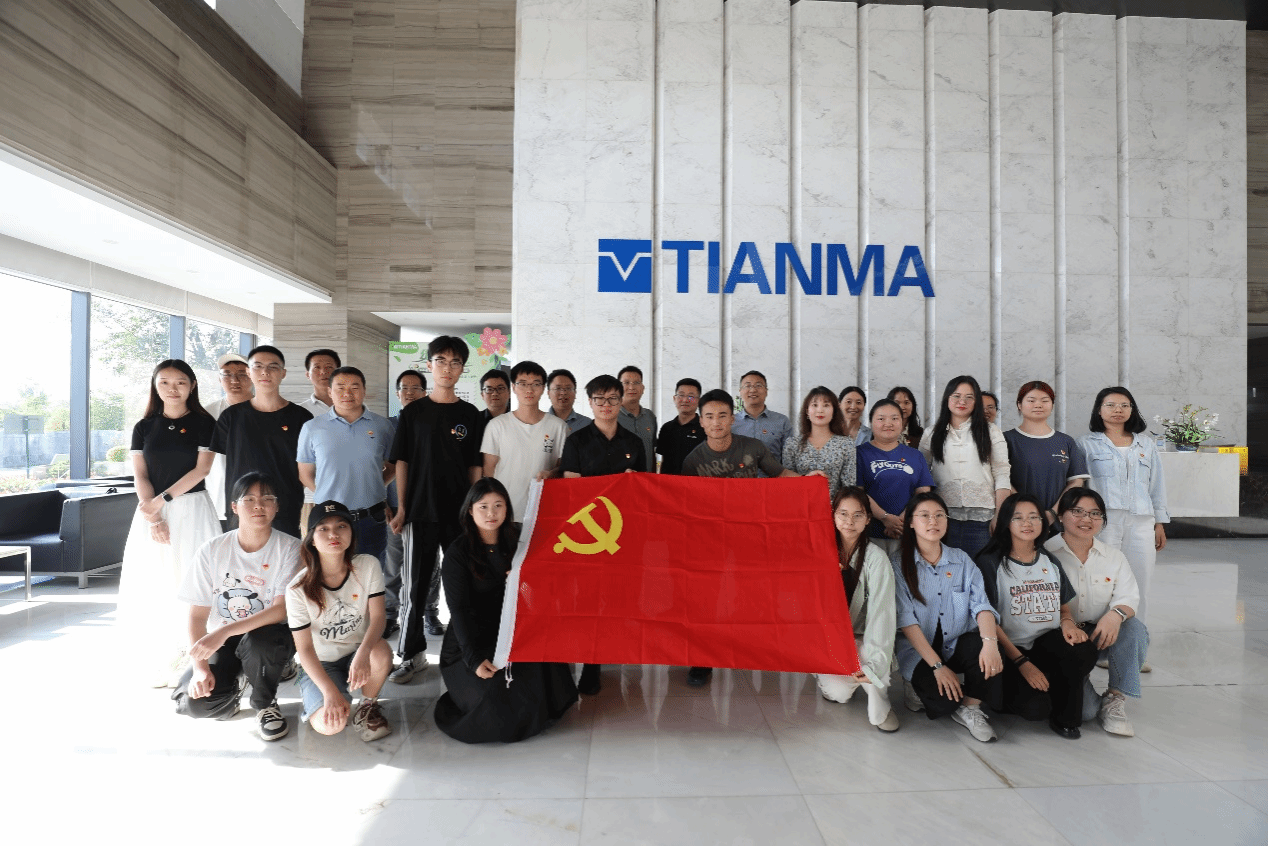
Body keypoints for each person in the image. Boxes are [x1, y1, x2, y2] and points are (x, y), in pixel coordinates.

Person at [682, 388, 815, 687]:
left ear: (733, 418)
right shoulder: (692, 460)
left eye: (722, 415)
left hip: (750, 534)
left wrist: (808, 482)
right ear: (701, 421)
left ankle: (759, 650)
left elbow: (780, 475)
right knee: (707, 600)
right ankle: (702, 660)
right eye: (709, 417)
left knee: (756, 594)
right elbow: (687, 505)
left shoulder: (753, 447)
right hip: (711, 540)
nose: (716, 422)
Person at [434, 478, 579, 743]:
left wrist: (527, 582)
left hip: (515, 628)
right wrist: (473, 659)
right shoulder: (458, 553)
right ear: (470, 510)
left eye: (498, 505)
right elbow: (459, 610)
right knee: (495, 698)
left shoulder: (522, 539)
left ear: (507, 508)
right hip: (473, 637)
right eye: (483, 506)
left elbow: (543, 592)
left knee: (533, 687)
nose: (491, 513)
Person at [172, 472, 303, 741]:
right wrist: (200, 667)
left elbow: (281, 610)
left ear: (277, 506)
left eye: (267, 499)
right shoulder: (212, 550)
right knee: (194, 704)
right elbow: (197, 616)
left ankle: (265, 703)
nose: (258, 506)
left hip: (269, 635)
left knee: (262, 643)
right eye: (249, 499)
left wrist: (223, 631)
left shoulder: (291, 548)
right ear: (234, 507)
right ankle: (238, 684)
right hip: (224, 641)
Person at [117, 359, 221, 687]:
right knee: (155, 581)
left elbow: (201, 470)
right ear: (155, 386)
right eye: (164, 382)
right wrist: (153, 517)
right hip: (151, 513)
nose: (172, 389)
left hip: (192, 510)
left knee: (195, 580)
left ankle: (198, 659)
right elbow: (141, 474)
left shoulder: (204, 423)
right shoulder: (144, 427)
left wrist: (161, 502)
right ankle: (162, 659)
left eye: (180, 382)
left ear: (192, 386)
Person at [387, 336, 483, 684]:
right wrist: (402, 509)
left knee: (463, 586)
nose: (447, 368)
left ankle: (464, 654)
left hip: (459, 516)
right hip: (420, 514)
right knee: (414, 589)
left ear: (462, 369)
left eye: (455, 362)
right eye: (441, 360)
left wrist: (474, 512)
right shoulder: (413, 413)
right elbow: (402, 462)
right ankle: (411, 654)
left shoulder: (471, 415)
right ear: (430, 365)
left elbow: (475, 468)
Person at [974, 493, 1099, 739]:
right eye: (1018, 517)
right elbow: (987, 619)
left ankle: (1065, 718)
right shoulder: (990, 562)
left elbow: (1063, 606)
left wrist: (1068, 624)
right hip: (1010, 650)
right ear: (1005, 522)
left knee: (1083, 649)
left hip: (1046, 644)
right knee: (1036, 709)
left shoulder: (1049, 560)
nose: (1027, 523)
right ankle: (1002, 693)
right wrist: (1022, 663)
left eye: (1034, 517)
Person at [560, 374, 648, 695]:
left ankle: (617, 649)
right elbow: (571, 490)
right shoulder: (577, 441)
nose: (606, 405)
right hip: (589, 534)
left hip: (625, 532)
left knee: (621, 596)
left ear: (621, 401)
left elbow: (645, 491)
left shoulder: (634, 443)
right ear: (590, 402)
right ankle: (591, 664)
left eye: (612, 398)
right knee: (590, 599)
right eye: (599, 399)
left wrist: (633, 483)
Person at [893, 491, 1004, 742]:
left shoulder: (961, 559)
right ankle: (918, 686)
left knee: (990, 648)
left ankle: (971, 706)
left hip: (955, 644)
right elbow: (906, 620)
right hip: (919, 652)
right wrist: (937, 667)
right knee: (943, 704)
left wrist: (990, 643)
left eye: (939, 515)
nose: (933, 521)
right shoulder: (898, 563)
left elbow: (981, 605)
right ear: (911, 522)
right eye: (924, 515)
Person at [286, 500, 394, 742]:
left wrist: (363, 653)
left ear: (351, 532)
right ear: (312, 539)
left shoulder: (367, 565)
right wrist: (329, 691)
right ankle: (318, 693)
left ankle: (368, 705)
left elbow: (378, 617)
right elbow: (304, 649)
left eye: (341, 526)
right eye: (323, 528)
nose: (333, 534)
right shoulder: (297, 589)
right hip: (322, 663)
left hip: (358, 651)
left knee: (380, 652)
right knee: (330, 725)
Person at [1045, 488, 1149, 737]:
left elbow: (1129, 597)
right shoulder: (1045, 554)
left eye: (1095, 513)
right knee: (1086, 712)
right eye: (1077, 512)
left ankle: (1115, 698)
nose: (1087, 519)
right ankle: (1080, 687)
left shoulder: (1113, 557)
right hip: (1063, 637)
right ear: (1060, 516)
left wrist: (1115, 615)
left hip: (1099, 633)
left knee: (1134, 629)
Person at [1077, 386, 1168, 627]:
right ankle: (1103, 639)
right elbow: (1080, 486)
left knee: (1140, 581)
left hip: (1141, 521)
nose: (1118, 410)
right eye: (1110, 405)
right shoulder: (1086, 444)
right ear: (1099, 410)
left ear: (1132, 410)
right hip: (1103, 522)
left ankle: (1136, 640)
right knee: (1102, 581)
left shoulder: (1146, 445)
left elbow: (1156, 485)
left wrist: (1159, 522)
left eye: (1124, 405)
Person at [815, 486, 900, 732]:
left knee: (871, 670)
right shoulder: (820, 551)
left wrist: (874, 664)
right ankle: (835, 676)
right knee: (839, 693)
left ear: (868, 519)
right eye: (843, 514)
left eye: (858, 515)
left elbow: (882, 615)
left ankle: (881, 705)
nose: (849, 522)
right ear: (833, 515)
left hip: (864, 637)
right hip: (830, 640)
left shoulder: (876, 558)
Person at [209, 345, 313, 537]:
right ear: (249, 372)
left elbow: (307, 468)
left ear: (283, 373)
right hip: (242, 509)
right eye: (258, 366)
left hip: (285, 509)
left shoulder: (301, 418)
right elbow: (218, 464)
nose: (265, 372)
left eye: (273, 367)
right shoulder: (231, 417)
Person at [297, 366, 396, 568]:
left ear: (364, 391)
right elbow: (305, 474)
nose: (347, 393)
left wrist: (375, 486)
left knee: (371, 575)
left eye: (354, 387)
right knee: (330, 574)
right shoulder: (312, 427)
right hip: (329, 519)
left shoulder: (382, 426)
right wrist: (328, 493)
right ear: (329, 391)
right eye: (340, 387)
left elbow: (393, 466)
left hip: (371, 517)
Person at [919, 375, 1010, 558]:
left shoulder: (991, 431)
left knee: (981, 569)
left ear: (976, 402)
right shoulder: (931, 433)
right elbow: (921, 474)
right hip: (942, 518)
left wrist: (999, 516)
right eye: (956, 396)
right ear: (947, 398)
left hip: (983, 519)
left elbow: (1001, 472)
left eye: (969, 397)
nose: (962, 401)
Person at [481, 360, 568, 519]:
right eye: (522, 384)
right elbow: (488, 471)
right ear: (513, 387)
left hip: (544, 511)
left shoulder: (558, 427)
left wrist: (551, 473)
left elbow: (563, 468)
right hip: (506, 513)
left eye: (536, 384)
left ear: (543, 388)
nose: (529, 390)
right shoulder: (497, 425)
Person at [1003, 381, 1089, 530]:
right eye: (1031, 401)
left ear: (1052, 405)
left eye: (1045, 401)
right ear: (1019, 405)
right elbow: (1000, 479)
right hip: (1018, 522)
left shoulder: (1065, 441)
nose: (1038, 405)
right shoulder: (1006, 439)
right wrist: (1027, 512)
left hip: (1058, 522)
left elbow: (1076, 482)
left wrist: (1052, 513)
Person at [855, 399, 935, 559]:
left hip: (908, 532)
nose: (888, 423)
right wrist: (885, 518)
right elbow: (858, 493)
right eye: (881, 418)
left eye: (894, 418)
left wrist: (901, 520)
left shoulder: (915, 455)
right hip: (870, 534)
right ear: (871, 422)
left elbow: (923, 493)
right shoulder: (859, 454)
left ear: (902, 423)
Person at [384, 369, 427, 640]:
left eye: (415, 388)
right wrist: (384, 502)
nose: (409, 393)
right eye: (404, 388)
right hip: (393, 506)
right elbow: (380, 468)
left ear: (424, 393)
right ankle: (390, 614)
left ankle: (429, 612)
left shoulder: (431, 423)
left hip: (426, 508)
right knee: (393, 563)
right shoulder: (386, 426)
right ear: (397, 393)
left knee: (428, 566)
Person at [782, 385, 857, 501]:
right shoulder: (792, 444)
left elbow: (849, 486)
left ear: (834, 411)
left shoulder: (846, 444)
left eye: (826, 405)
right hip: (800, 506)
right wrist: (805, 479)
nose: (820, 410)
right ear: (807, 411)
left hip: (835, 508)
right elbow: (786, 483)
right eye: (815, 405)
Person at [203, 353, 252, 526]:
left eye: (241, 374)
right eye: (227, 374)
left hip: (258, 499)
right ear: (219, 379)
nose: (234, 380)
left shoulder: (265, 409)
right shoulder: (207, 414)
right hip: (218, 498)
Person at [297, 349, 341, 532]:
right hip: (312, 498)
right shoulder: (299, 413)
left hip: (353, 497)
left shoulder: (356, 408)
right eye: (317, 367)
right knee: (313, 547)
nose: (323, 372)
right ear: (308, 374)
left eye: (329, 367)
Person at [733, 370, 793, 471]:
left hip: (773, 478)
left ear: (766, 391)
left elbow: (789, 459)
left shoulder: (782, 421)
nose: (753, 390)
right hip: (740, 479)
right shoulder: (731, 422)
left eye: (758, 385)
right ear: (740, 391)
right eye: (747, 386)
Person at [656, 377, 704, 475]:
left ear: (699, 401)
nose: (685, 400)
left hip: (695, 482)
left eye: (691, 396)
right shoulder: (666, 428)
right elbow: (662, 461)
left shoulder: (705, 428)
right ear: (674, 398)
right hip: (669, 482)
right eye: (681, 395)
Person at [617, 365, 657, 472]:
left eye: (636, 383)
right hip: (621, 479)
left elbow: (651, 450)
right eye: (626, 383)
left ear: (642, 388)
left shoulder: (650, 416)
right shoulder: (612, 417)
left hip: (646, 479)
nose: (631, 387)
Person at [547, 368, 592, 434]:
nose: (563, 393)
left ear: (575, 393)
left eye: (568, 388)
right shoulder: (538, 422)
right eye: (558, 388)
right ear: (548, 393)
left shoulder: (588, 424)